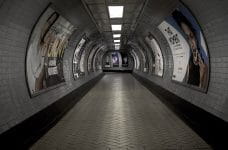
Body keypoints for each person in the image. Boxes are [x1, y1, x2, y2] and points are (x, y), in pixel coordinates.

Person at [172, 10, 208, 89]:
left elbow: (203, 73)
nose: (191, 42)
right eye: (187, 37)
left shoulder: (201, 55)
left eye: (191, 36)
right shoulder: (191, 55)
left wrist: (200, 85)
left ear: (195, 35)